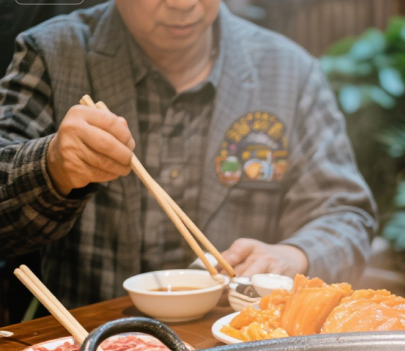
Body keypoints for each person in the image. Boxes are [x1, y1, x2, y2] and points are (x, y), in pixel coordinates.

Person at [0, 0, 376, 308]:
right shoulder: (54, 54)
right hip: (92, 347)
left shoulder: (289, 71)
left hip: (234, 347)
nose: (183, 4)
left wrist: (294, 255)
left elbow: (345, 214)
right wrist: (52, 166)